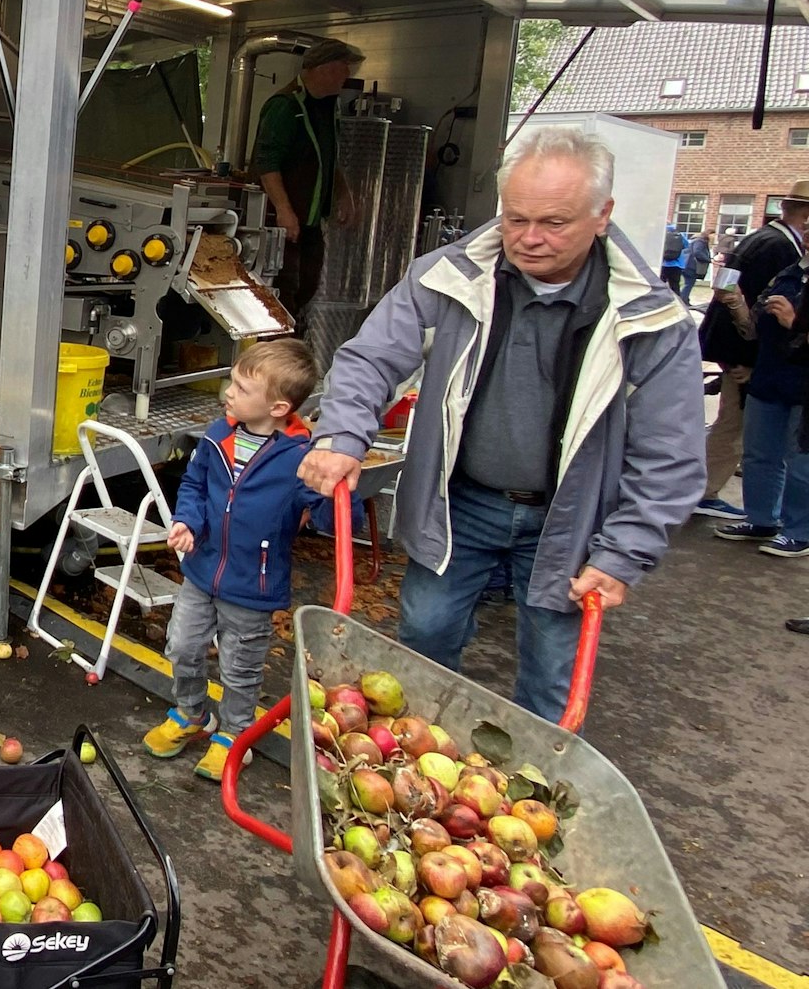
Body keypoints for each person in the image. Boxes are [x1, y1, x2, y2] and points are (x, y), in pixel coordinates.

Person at [298, 127, 704, 722]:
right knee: (426, 638)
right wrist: (341, 436)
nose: (529, 239)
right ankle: (414, 776)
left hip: (571, 522)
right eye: (515, 219)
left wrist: (624, 552)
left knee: (552, 669)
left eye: (553, 222)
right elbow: (370, 357)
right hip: (460, 502)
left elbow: (669, 454)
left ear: (602, 215)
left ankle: (534, 792)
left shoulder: (650, 318)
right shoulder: (449, 277)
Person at [146, 339, 333, 780]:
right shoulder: (218, 435)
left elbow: (322, 511)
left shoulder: (300, 457)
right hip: (202, 570)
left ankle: (234, 734)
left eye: (242, 388)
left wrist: (329, 491)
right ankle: (191, 713)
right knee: (182, 645)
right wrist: (187, 523)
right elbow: (194, 485)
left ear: (279, 407)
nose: (229, 393)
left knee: (240, 665)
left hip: (254, 586)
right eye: (232, 382)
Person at [697, 190, 807, 522]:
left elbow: (726, 285)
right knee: (739, 432)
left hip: (755, 358)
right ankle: (706, 491)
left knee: (750, 437)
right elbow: (748, 307)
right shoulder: (781, 249)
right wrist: (742, 358)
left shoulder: (761, 238)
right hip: (757, 361)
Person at [252, 38, 364, 321]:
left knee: (308, 285)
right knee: (283, 287)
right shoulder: (285, 106)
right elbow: (267, 163)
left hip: (311, 221)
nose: (348, 76)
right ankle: (277, 351)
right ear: (324, 68)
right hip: (284, 222)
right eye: (343, 68)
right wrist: (284, 210)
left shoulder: (327, 108)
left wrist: (343, 193)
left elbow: (327, 158)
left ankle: (292, 338)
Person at [660, 224, 688, 299]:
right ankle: (677, 302)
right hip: (677, 265)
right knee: (675, 285)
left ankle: (660, 300)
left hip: (663, 264)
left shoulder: (662, 234)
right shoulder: (680, 235)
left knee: (660, 284)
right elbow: (687, 245)